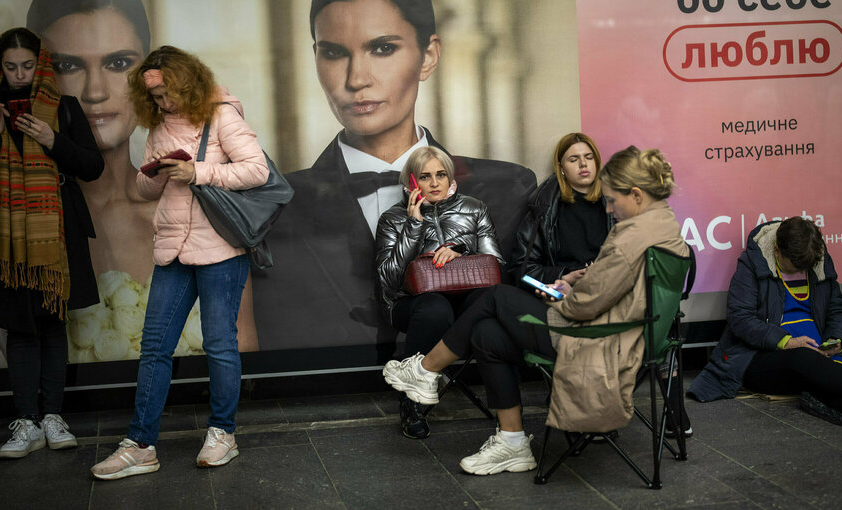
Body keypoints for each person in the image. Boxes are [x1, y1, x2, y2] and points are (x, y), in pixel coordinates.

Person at [383, 147, 688, 475]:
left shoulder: (631, 238)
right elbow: (615, 291)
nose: (609, 208)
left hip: (596, 339)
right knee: (487, 333)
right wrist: (577, 284)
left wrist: (562, 295)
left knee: (496, 297)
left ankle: (426, 371)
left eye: (613, 200)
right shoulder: (662, 227)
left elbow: (584, 307)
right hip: (623, 333)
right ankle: (512, 443)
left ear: (637, 195)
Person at [253, 0, 536, 353]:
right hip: (325, 397)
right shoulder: (275, 205)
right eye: (334, 52)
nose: (356, 79)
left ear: (428, 56)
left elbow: (523, 288)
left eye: (383, 48)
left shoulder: (509, 188)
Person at [27, 0, 260, 358]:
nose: (95, 91)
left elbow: (243, 359)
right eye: (67, 65)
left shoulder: (209, 208)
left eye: (119, 63)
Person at [90, 46, 269, 480]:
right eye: (154, 97)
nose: (163, 103)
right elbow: (148, 189)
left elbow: (257, 170)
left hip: (221, 250)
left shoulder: (223, 115)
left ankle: (223, 434)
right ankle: (140, 445)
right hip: (172, 248)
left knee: (219, 345)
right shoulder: (158, 127)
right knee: (154, 347)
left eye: (168, 93)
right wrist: (151, 174)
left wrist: (200, 173)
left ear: (187, 83)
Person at [0, 28, 103, 457]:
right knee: (18, 327)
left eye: (28, 66)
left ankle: (53, 417)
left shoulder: (65, 109)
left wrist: (53, 141)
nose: (19, 75)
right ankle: (26, 422)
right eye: (11, 67)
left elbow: (92, 167)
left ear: (42, 66)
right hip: (4, 238)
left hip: (56, 231)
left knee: (53, 322)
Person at [689, 217, 842, 432]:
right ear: (777, 250)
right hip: (760, 356)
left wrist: (837, 340)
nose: (799, 272)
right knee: (805, 360)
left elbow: (838, 310)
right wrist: (787, 342)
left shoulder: (817, 260)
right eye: (792, 267)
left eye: (803, 268)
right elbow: (741, 319)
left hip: (819, 351)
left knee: (823, 373)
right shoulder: (751, 265)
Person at [376, 146, 503, 439]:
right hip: (412, 303)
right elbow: (388, 280)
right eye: (425, 176)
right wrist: (413, 227)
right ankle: (411, 403)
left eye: (441, 175)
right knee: (435, 309)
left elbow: (497, 266)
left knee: (491, 301)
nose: (434, 183)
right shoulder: (392, 218)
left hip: (465, 298)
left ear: (450, 178)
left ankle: (507, 409)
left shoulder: (474, 208)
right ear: (412, 182)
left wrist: (461, 251)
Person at [508, 132, 611, 288]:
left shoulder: (617, 203)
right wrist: (564, 276)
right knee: (496, 295)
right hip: (561, 289)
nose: (583, 164)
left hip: (609, 286)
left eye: (589, 157)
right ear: (561, 168)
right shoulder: (544, 207)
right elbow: (521, 271)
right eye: (573, 159)